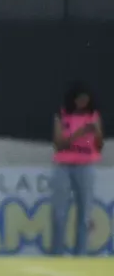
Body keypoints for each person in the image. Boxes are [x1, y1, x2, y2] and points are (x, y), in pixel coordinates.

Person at [51, 82, 103, 256]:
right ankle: (56, 254)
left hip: (86, 165)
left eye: (85, 100)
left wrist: (97, 132)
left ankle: (80, 255)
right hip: (64, 165)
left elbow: (99, 146)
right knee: (59, 213)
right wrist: (80, 133)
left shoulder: (93, 116)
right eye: (80, 100)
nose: (82, 103)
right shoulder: (61, 115)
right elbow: (59, 144)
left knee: (84, 215)